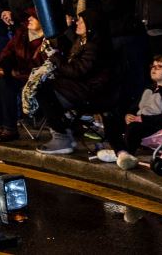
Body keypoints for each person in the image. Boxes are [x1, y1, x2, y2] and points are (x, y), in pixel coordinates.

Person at [36, 11, 112, 155]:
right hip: (79, 86)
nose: (77, 23)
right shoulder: (81, 41)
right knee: (43, 87)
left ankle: (62, 136)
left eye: (81, 21)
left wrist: (55, 57)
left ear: (90, 26)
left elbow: (77, 71)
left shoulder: (94, 47)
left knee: (45, 92)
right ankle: (63, 130)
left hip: (90, 91)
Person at [108, 56, 162, 169]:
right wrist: (129, 115)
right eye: (153, 66)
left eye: (159, 67)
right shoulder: (149, 88)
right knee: (111, 120)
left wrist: (143, 119)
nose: (154, 69)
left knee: (134, 127)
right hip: (140, 119)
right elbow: (135, 106)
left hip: (156, 125)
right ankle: (122, 153)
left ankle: (125, 153)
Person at [0, 10, 50, 142]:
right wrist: (4, 67)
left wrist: (11, 72)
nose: (30, 19)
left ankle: (10, 128)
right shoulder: (22, 33)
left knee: (6, 83)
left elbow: (40, 67)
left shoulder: (47, 41)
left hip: (34, 78)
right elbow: (7, 51)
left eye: (34, 17)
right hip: (15, 73)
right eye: (29, 17)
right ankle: (1, 124)